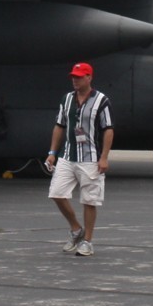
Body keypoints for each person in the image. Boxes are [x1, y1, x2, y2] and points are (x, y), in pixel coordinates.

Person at [45, 61, 114, 257]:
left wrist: (104, 157)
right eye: (73, 77)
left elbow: (108, 129)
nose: (75, 80)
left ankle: (88, 241)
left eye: (79, 77)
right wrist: (52, 152)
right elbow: (59, 125)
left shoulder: (101, 100)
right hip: (67, 155)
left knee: (89, 200)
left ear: (89, 78)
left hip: (90, 157)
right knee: (57, 193)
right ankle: (76, 229)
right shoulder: (67, 99)